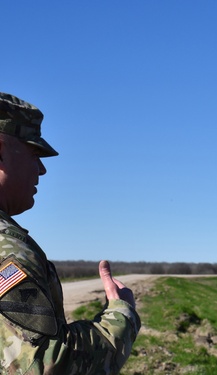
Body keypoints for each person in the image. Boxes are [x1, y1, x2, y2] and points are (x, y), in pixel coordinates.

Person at [0, 92, 140, 374]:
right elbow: (41, 364)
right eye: (33, 153)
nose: (41, 169)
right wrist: (120, 313)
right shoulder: (7, 251)